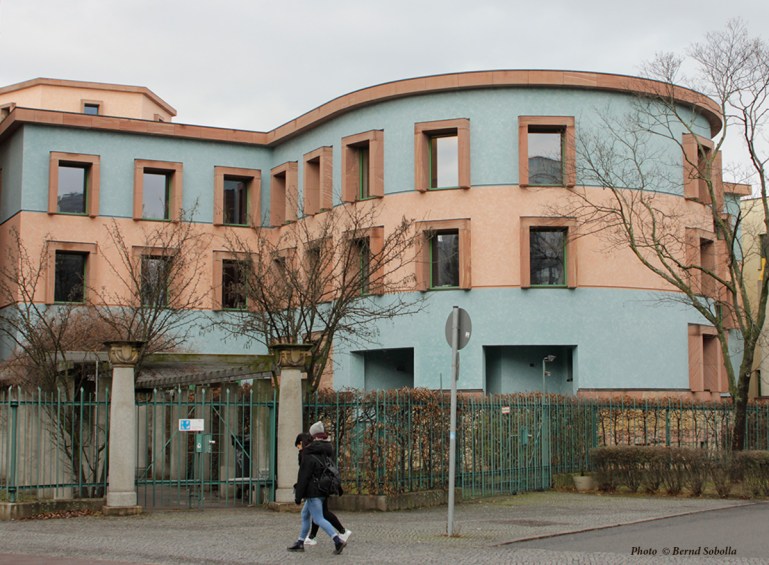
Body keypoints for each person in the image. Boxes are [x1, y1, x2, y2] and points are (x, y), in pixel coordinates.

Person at [288, 421, 348, 555]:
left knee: (318, 518)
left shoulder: (309, 454)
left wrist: (298, 496)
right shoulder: (325, 451)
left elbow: (303, 476)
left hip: (313, 492)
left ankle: (338, 541)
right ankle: (300, 542)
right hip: (322, 489)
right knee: (305, 514)